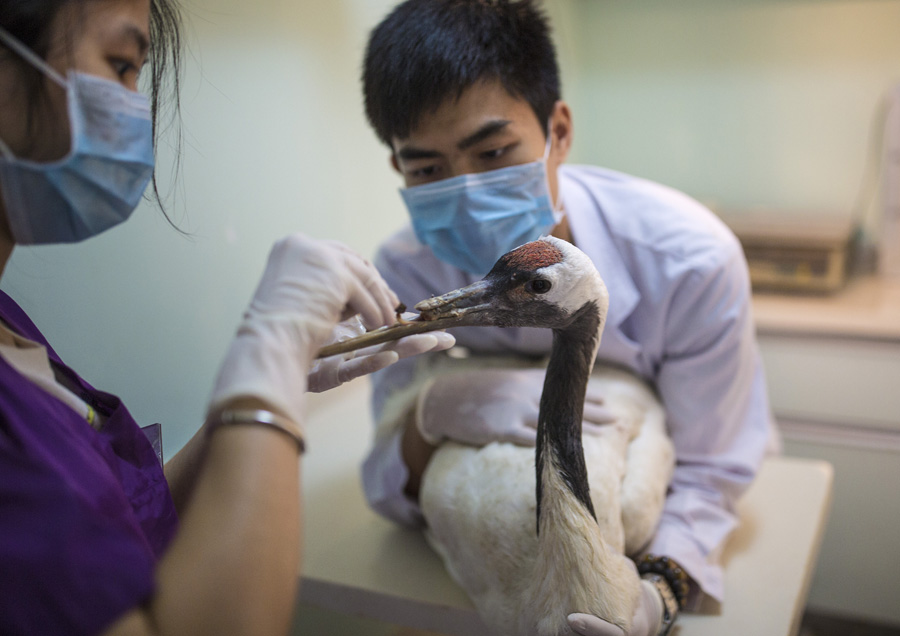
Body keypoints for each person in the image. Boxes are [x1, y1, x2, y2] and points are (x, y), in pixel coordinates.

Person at [0, 1, 453, 634]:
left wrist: (263, 390)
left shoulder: (11, 323)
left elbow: (127, 522)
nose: (137, 112)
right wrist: (263, 377)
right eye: (122, 65)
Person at [359, 1, 778, 635]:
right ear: (398, 166)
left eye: (492, 152)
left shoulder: (689, 262)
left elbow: (710, 469)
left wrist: (659, 591)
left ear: (558, 131)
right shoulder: (406, 270)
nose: (466, 194)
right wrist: (426, 416)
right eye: (428, 170)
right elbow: (386, 480)